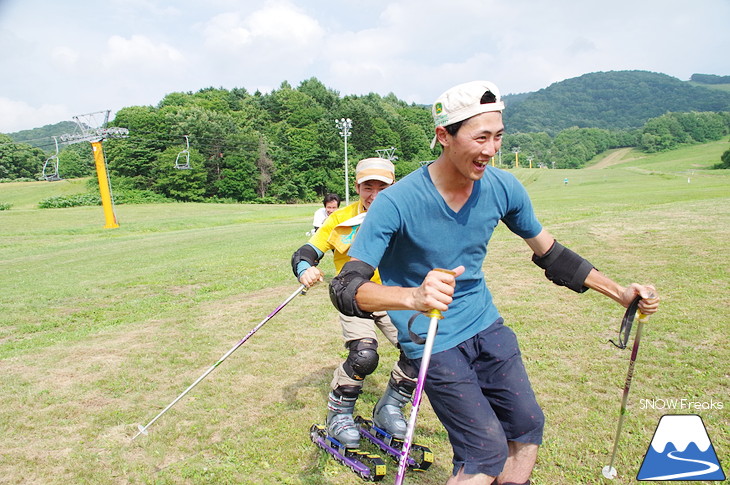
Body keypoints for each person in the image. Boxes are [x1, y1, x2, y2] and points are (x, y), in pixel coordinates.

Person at [329, 80, 660, 485]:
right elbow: (347, 288)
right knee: (484, 451)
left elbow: (551, 254)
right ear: (443, 136)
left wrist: (620, 292)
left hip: (485, 323)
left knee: (526, 427)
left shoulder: (503, 188)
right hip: (432, 336)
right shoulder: (397, 202)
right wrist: (413, 296)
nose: (491, 149)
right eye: (480, 137)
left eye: (498, 136)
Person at [291, 157, 418, 449]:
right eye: (367, 187)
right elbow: (306, 252)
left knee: (419, 351)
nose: (374, 195)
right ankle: (339, 415)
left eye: (382, 187)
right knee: (364, 356)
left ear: (393, 185)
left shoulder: (404, 215)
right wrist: (304, 269)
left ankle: (389, 408)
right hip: (355, 298)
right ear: (357, 186)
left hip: (393, 296)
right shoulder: (340, 220)